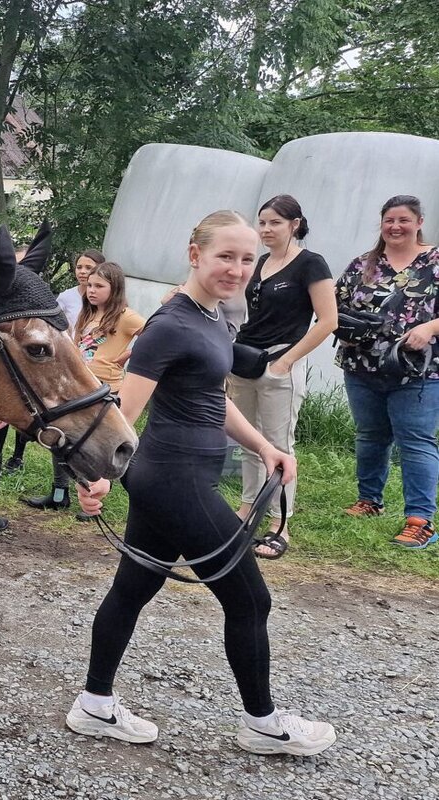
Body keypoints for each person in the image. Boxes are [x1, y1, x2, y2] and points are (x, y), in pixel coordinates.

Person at [67, 210, 336, 756]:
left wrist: (265, 446)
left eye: (244, 258)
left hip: (172, 480)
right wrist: (95, 478)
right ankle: (263, 723)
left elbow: (213, 401)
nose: (236, 268)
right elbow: (125, 414)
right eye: (224, 257)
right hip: (174, 482)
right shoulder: (169, 327)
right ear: (196, 256)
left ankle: (94, 704)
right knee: (250, 601)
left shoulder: (211, 319)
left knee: (132, 589)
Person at [228, 196, 336, 559]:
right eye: (262, 222)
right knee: (249, 442)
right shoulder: (261, 262)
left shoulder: (311, 264)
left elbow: (328, 321)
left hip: (279, 364)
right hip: (245, 361)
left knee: (279, 445)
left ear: (295, 223)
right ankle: (246, 511)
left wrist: (287, 361)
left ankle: (279, 523)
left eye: (275, 222)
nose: (266, 230)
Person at [336, 195, 439, 550]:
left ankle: (420, 520)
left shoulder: (436, 262)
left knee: (416, 442)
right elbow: (334, 306)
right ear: (381, 224)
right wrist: (348, 327)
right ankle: (369, 500)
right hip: (362, 365)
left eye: (404, 220)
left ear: (419, 222)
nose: (396, 227)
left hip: (417, 371)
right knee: (370, 436)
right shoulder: (363, 264)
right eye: (389, 220)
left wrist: (430, 328)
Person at [19, 249, 106, 503]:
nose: (83, 273)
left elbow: (144, 334)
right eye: (79, 267)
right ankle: (60, 492)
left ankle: (94, 495)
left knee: (93, 437)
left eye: (89, 269)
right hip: (70, 373)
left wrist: (119, 359)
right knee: (60, 434)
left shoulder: (119, 313)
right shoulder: (73, 301)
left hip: (100, 383)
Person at [69, 261, 144, 521]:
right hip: (82, 387)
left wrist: (125, 356)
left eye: (99, 286)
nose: (91, 290)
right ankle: (81, 492)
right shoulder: (87, 314)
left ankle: (97, 496)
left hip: (107, 389)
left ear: (115, 289)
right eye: (89, 285)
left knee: (101, 444)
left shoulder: (126, 317)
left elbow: (152, 335)